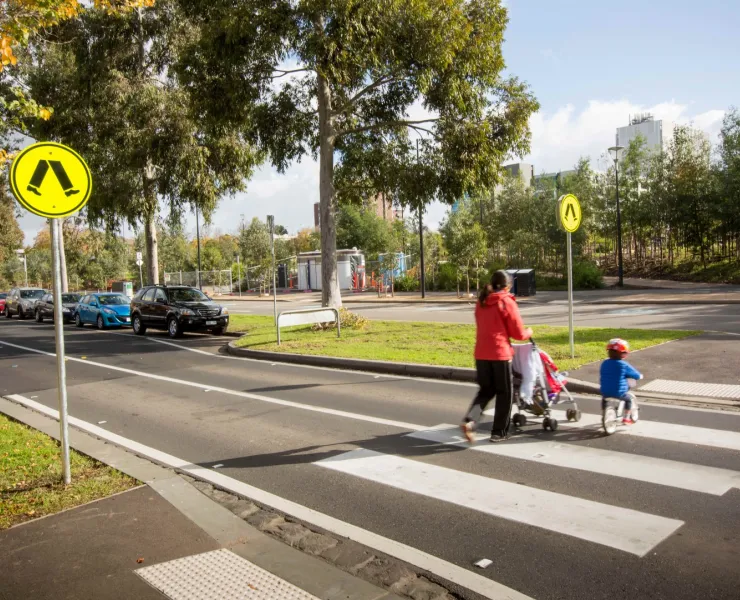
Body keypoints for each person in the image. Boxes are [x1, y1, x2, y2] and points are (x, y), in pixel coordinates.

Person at [461, 270, 532, 443]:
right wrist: (529, 332)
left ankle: (470, 421)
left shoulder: (482, 301)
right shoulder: (506, 301)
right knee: (504, 393)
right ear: (508, 286)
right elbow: (517, 333)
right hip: (500, 354)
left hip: (481, 354)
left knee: (486, 391)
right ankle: (499, 432)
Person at [600, 338, 643, 425]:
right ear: (623, 354)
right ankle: (626, 418)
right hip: (619, 392)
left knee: (605, 399)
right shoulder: (623, 365)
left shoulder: (604, 363)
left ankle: (604, 413)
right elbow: (635, 375)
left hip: (604, 391)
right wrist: (640, 376)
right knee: (628, 400)